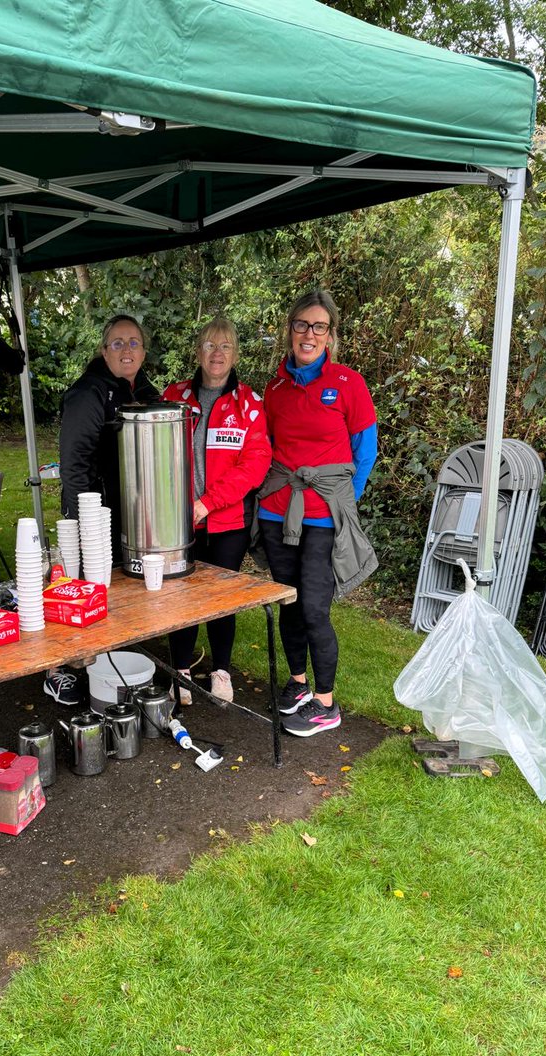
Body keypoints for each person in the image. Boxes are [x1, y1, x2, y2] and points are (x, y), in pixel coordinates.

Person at [257, 290, 377, 737]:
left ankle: (326, 704)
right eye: (302, 325)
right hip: (277, 511)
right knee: (289, 601)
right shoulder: (275, 388)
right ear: (290, 330)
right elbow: (267, 445)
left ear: (331, 335)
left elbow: (366, 450)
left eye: (319, 327)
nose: (309, 334)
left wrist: (344, 499)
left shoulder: (348, 383)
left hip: (324, 516)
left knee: (313, 607)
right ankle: (298, 683)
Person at [44, 314, 159, 705]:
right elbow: (74, 464)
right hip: (93, 514)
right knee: (82, 589)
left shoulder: (145, 391)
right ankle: (58, 670)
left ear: (143, 351)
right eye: (117, 343)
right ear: (104, 350)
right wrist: (83, 523)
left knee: (115, 595)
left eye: (133, 343)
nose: (126, 350)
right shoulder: (89, 393)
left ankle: (106, 665)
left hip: (130, 513)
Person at [161, 317, 271, 704]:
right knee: (180, 595)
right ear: (198, 352)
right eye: (209, 345)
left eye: (225, 346)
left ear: (235, 354)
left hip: (227, 522)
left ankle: (221, 670)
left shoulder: (249, 404)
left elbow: (255, 465)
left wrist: (208, 503)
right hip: (179, 519)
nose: (217, 353)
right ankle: (181, 670)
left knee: (221, 599)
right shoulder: (173, 396)